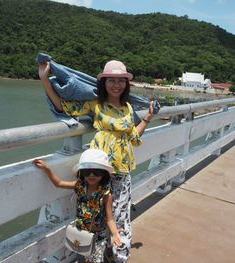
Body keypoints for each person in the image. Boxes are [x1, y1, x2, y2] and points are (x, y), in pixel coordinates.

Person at [38, 59, 155, 262]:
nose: (116, 85)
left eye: (121, 81)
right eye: (112, 80)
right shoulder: (96, 104)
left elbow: (133, 138)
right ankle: (95, 255)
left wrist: (147, 119)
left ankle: (119, 254)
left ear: (126, 84)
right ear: (104, 82)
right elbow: (63, 106)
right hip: (99, 171)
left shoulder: (128, 108)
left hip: (122, 170)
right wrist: (44, 78)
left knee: (120, 215)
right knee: (96, 214)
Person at [33, 148, 122, 263]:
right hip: (82, 233)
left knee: (96, 259)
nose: (91, 175)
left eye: (97, 172)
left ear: (104, 174)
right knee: (86, 256)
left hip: (98, 236)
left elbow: (110, 218)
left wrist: (115, 234)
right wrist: (47, 169)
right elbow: (59, 183)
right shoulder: (79, 186)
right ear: (81, 173)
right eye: (86, 171)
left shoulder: (105, 194)